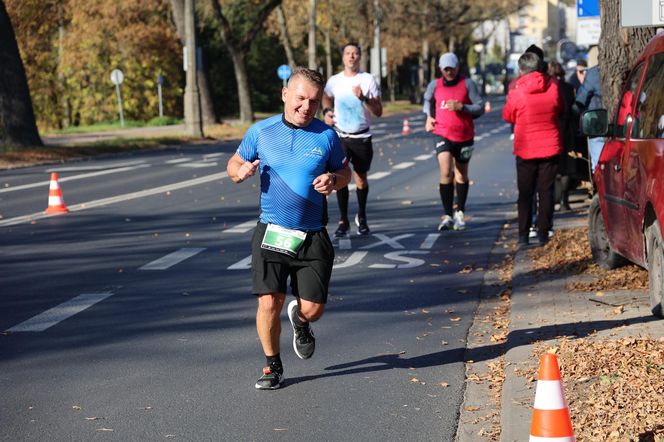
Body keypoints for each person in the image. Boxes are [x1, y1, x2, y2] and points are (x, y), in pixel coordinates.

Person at [226, 67, 351, 390]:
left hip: (312, 235)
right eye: (300, 99)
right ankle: (272, 366)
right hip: (272, 232)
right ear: (285, 94)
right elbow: (234, 162)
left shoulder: (327, 136)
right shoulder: (261, 132)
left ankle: (301, 320)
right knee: (268, 301)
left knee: (314, 310)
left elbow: (345, 173)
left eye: (313, 101)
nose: (306, 107)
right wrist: (240, 173)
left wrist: (334, 180)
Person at [322, 43, 383, 237]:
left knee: (361, 179)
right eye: (348, 53)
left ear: (360, 57)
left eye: (355, 53)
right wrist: (326, 111)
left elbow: (379, 111)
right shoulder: (335, 80)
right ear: (343, 57)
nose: (351, 57)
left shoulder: (367, 80)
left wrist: (363, 97)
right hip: (340, 136)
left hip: (362, 137)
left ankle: (362, 217)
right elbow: (325, 96)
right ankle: (343, 220)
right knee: (340, 178)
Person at [503, 52, 563, 246]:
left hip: (525, 147)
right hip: (550, 145)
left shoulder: (516, 91)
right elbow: (559, 108)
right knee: (546, 191)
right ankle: (543, 232)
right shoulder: (553, 86)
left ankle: (523, 233)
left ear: (521, 70)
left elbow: (508, 116)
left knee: (525, 193)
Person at [422, 52, 484, 231]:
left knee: (461, 174)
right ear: (441, 69)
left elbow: (480, 107)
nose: (449, 72)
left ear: (458, 68)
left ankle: (460, 212)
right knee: (446, 171)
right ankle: (447, 214)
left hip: (464, 135)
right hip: (442, 133)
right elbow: (427, 101)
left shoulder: (467, 84)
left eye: (452, 68)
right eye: (446, 69)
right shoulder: (435, 85)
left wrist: (462, 107)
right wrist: (429, 117)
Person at [548, 60, 577, 212]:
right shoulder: (568, 87)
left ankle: (552, 200)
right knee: (567, 167)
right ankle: (565, 201)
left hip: (553, 130)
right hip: (568, 130)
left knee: (553, 167)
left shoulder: (550, 88)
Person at [575, 46, 603, 173]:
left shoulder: (593, 73)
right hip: (621, 121)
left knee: (598, 163)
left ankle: (600, 187)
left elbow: (581, 99)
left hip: (597, 123)